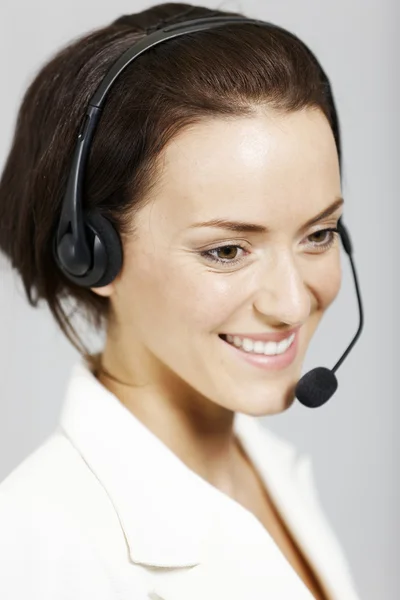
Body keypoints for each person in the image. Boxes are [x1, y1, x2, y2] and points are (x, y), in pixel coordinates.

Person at [0, 3, 361, 599]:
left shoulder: (266, 468)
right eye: (226, 251)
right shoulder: (41, 557)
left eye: (318, 235)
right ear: (90, 253)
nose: (293, 303)